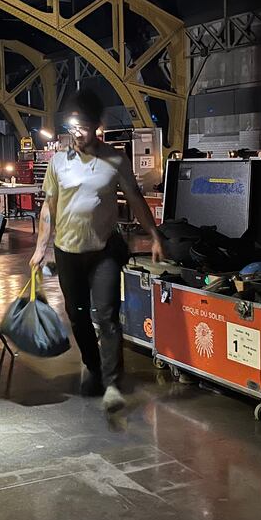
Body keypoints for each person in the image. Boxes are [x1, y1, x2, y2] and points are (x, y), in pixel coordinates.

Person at [30, 90, 165, 414]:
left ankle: (113, 383)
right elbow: (49, 210)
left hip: (103, 250)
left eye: (83, 127)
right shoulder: (58, 162)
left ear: (97, 127)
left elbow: (134, 198)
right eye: (73, 126)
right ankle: (91, 366)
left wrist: (155, 236)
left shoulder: (115, 159)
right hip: (67, 251)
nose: (77, 133)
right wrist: (40, 248)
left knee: (106, 315)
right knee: (77, 316)